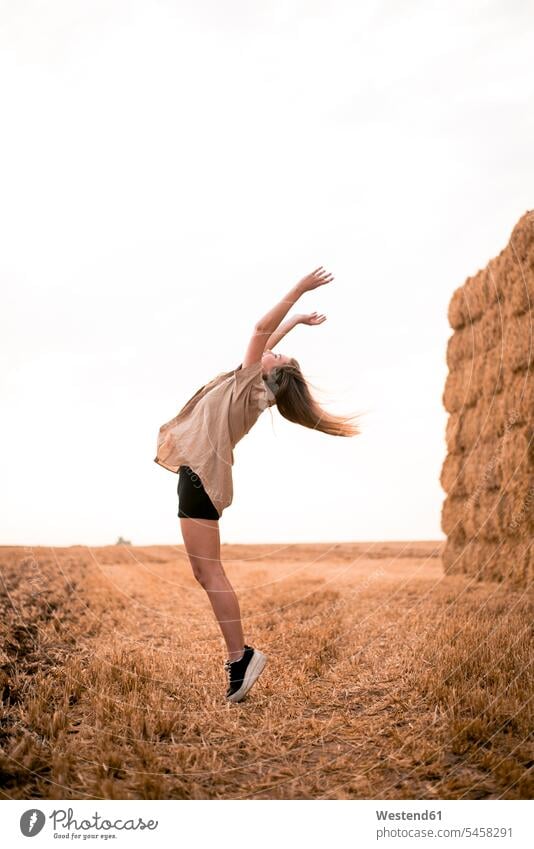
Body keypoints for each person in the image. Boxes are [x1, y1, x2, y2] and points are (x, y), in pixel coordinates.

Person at [154, 267, 360, 702]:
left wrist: (299, 290)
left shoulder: (250, 384)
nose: (272, 351)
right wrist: (298, 322)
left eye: (278, 357)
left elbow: (260, 330)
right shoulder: (251, 385)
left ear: (271, 373)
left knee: (209, 572)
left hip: (200, 480)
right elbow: (270, 338)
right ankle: (239, 656)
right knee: (203, 571)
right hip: (200, 478)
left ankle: (239, 657)